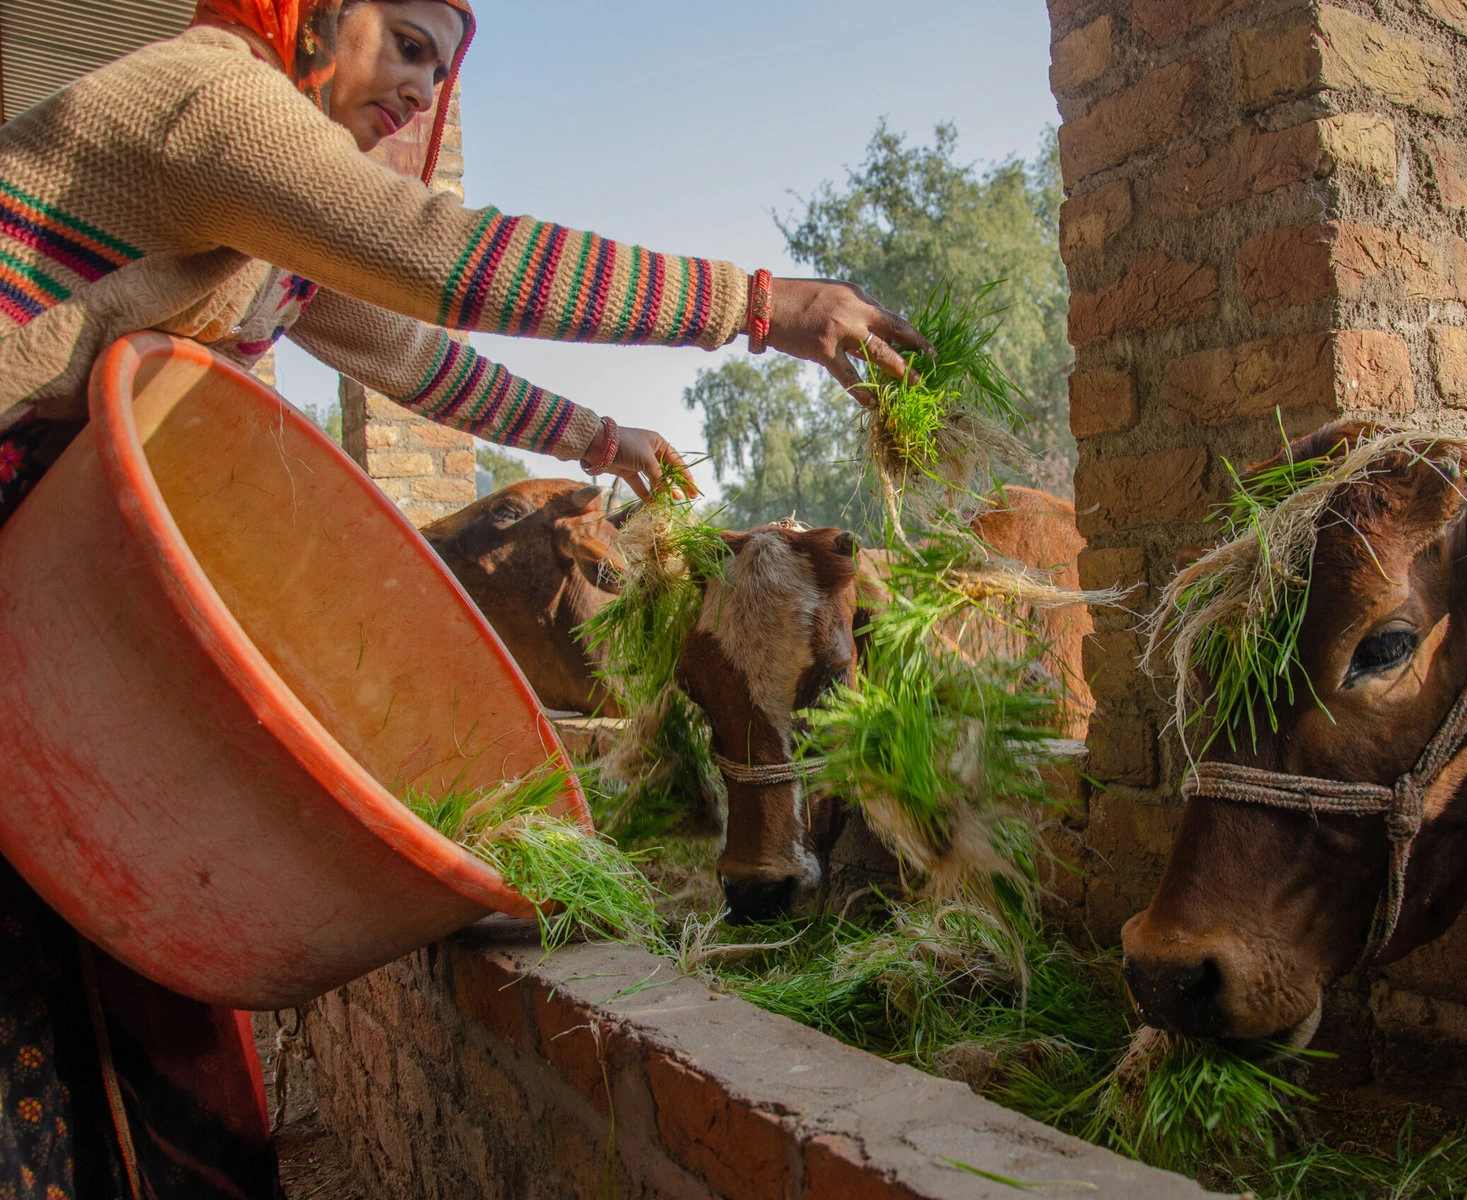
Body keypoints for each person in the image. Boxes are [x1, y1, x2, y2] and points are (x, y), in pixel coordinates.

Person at [0, 1, 929, 1195]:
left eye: (440, 70)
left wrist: (598, 434)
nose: (420, 91)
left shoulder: (268, 237)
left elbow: (416, 354)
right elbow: (451, 260)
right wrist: (760, 306)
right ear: (310, 20)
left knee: (113, 936)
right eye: (406, 45)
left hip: (48, 574)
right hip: (35, 542)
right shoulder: (212, 99)